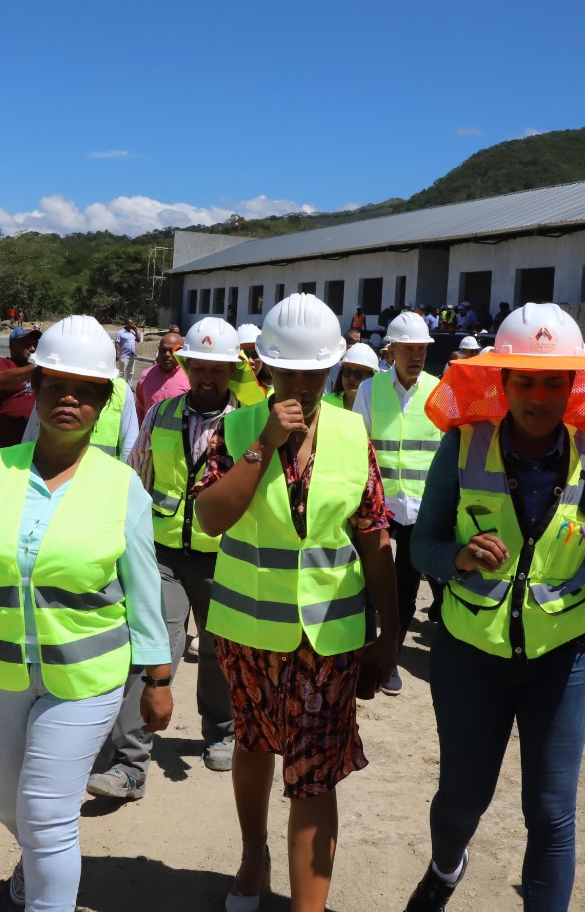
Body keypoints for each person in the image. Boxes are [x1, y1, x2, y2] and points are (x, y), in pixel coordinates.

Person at [405, 303, 585, 912]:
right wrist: (458, 557)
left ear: (574, 386)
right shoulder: (463, 447)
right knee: (462, 799)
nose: (539, 396)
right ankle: (445, 867)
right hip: (470, 656)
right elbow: (421, 545)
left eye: (553, 381)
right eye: (526, 381)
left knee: (550, 813)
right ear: (502, 382)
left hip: (562, 660)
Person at [0, 315, 173, 912]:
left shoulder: (121, 487)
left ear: (104, 402)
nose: (70, 400)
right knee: (6, 804)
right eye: (58, 385)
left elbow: (145, 594)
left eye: (87, 391)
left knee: (46, 812)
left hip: (85, 680)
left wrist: (158, 680)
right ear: (37, 388)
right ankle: (35, 861)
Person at [194, 292, 399, 912]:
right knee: (254, 745)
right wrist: (263, 444)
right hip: (248, 633)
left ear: (333, 369)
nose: (305, 385)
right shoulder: (235, 429)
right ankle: (253, 855)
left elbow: (372, 534)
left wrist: (387, 635)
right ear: (265, 368)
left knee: (315, 773)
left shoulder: (351, 430)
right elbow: (209, 519)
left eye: (317, 373)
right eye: (291, 372)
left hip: (329, 640)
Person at [88, 318, 248, 801]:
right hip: (164, 557)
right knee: (153, 649)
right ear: (186, 365)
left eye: (216, 369)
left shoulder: (248, 424)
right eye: (197, 366)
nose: (206, 376)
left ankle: (221, 730)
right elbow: (137, 475)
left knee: (222, 653)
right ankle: (130, 763)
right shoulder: (161, 414)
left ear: (230, 371)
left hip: (226, 557)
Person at [353, 309, 442, 697]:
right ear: (391, 352)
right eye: (409, 348)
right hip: (379, 508)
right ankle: (366, 648)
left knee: (406, 588)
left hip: (421, 510)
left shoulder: (440, 392)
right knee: (370, 584)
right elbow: (359, 447)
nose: (417, 355)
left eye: (422, 348)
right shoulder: (371, 391)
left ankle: (390, 656)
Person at [0, 327, 44, 455]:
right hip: (2, 452)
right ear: (12, 346)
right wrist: (38, 368)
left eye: (35, 344)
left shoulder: (43, 373)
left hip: (34, 451)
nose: (32, 349)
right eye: (27, 344)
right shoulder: (0, 364)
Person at [135, 329, 189, 420]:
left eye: (173, 350)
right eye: (163, 350)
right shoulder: (146, 376)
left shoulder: (191, 378)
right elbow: (140, 411)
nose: (167, 354)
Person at [325, 342, 377, 412]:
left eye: (358, 374)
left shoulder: (379, 407)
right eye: (347, 371)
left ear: (371, 377)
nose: (351, 378)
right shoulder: (326, 403)